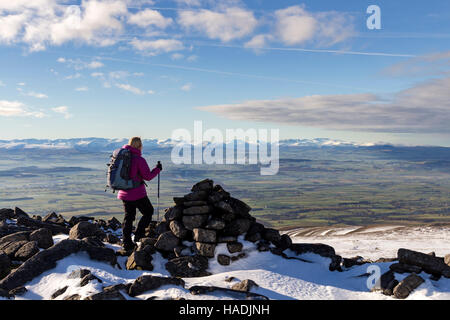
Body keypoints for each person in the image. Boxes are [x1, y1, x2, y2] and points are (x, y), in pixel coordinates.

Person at [118, 137, 162, 251]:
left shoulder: (122, 157)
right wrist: (157, 169)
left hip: (124, 192)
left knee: (129, 217)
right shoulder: (139, 159)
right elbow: (147, 176)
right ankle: (139, 235)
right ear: (140, 146)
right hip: (137, 193)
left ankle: (126, 243)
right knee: (148, 212)